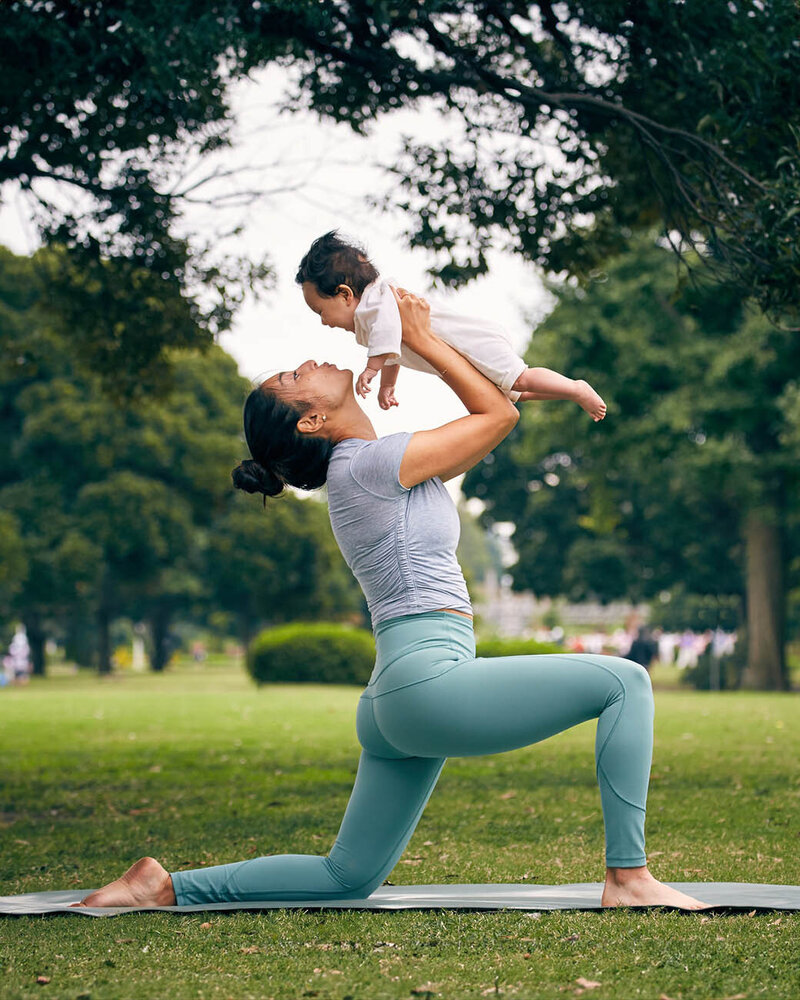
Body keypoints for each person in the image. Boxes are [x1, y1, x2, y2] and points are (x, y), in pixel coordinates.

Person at [74, 292, 705, 910]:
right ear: (310, 420)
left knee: (347, 876)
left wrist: (462, 360)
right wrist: (424, 338)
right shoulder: (370, 467)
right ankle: (628, 876)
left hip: (396, 695)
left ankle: (165, 886)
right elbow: (498, 418)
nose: (311, 362)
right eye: (297, 376)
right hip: (425, 682)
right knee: (625, 684)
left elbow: (492, 410)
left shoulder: (374, 468)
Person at [296, 231, 607, 419]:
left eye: (320, 311)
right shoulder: (374, 317)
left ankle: (576, 388)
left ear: (345, 294)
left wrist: (372, 370)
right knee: (516, 394)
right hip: (466, 350)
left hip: (473, 342)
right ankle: (568, 393)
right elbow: (394, 348)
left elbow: (388, 340)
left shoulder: (377, 301)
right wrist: (388, 383)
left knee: (522, 379)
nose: (324, 322)